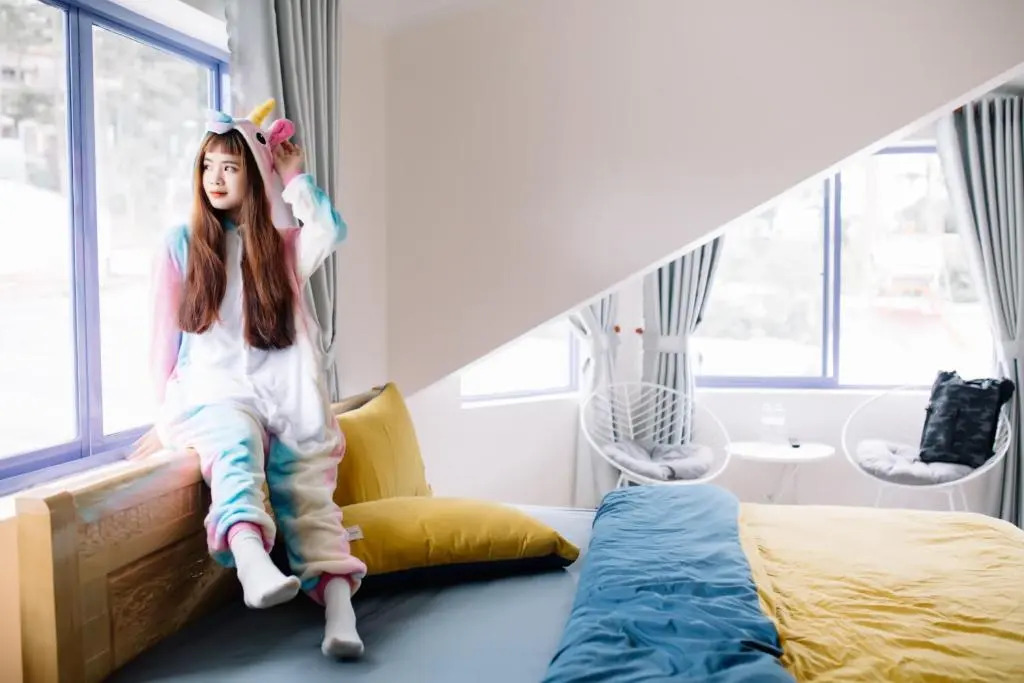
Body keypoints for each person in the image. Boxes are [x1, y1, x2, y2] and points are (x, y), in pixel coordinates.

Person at [129, 99, 367, 659]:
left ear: (254, 176)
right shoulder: (182, 244)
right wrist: (163, 418)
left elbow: (328, 229)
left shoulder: (281, 249)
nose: (215, 178)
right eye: (208, 166)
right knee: (235, 453)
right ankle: (253, 566)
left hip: (286, 395)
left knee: (309, 498)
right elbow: (161, 341)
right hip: (216, 393)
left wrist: (293, 174)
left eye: (230, 167)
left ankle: (341, 615)